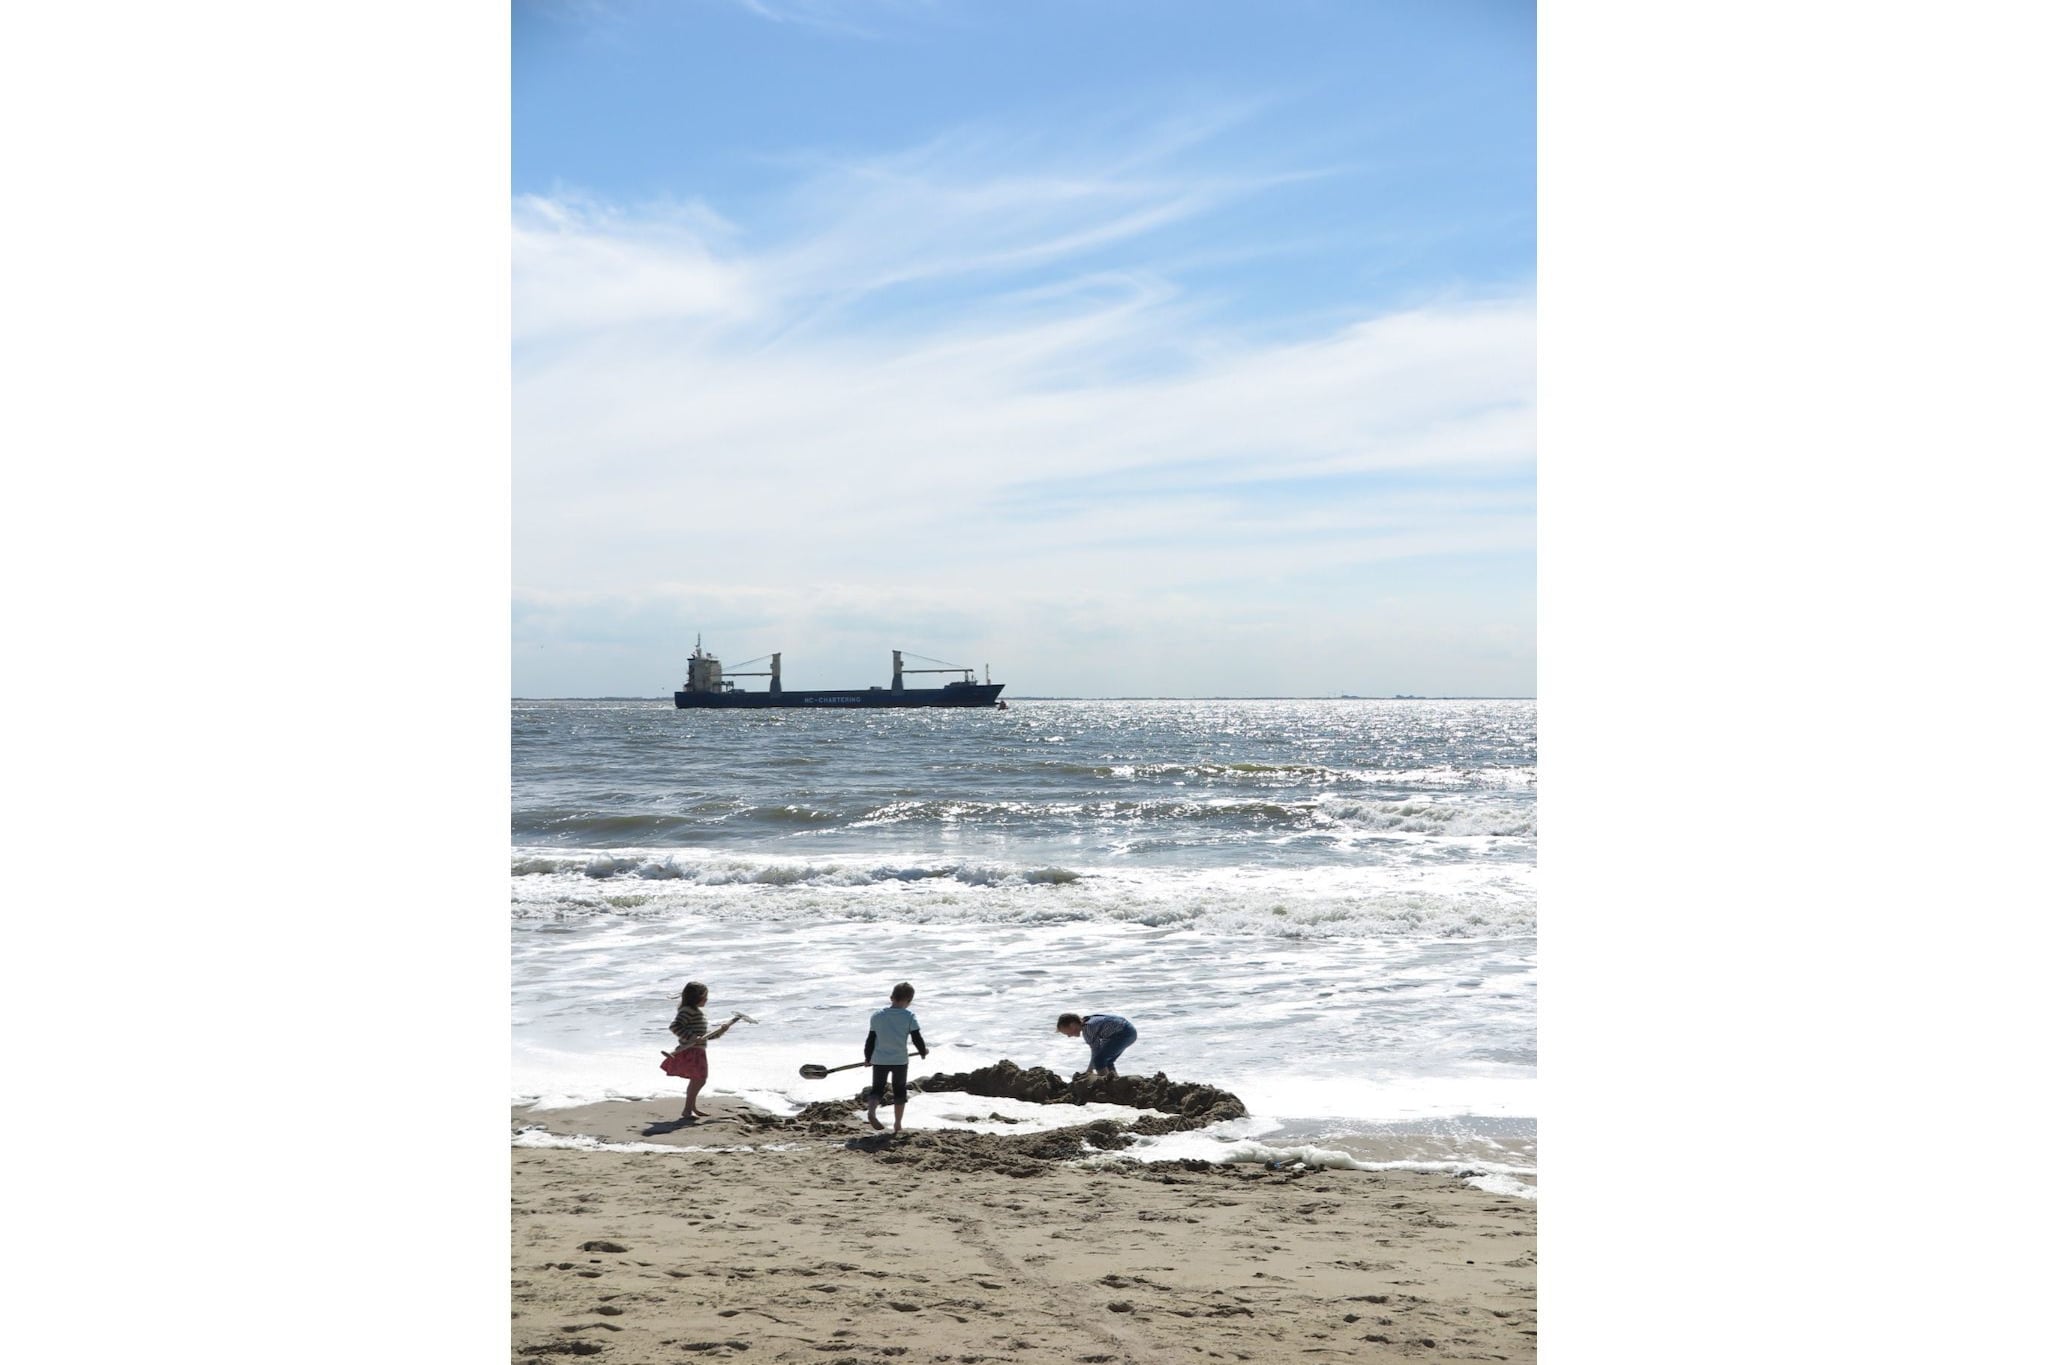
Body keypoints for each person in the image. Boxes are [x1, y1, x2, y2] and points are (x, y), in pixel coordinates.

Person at [662, 981, 744, 1122]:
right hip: (691, 1050)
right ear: (696, 997)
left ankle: (691, 1108)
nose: (707, 999)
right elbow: (675, 1026)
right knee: (699, 1079)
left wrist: (722, 1031)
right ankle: (687, 1110)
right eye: (705, 996)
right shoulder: (687, 1010)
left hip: (698, 1050)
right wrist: (692, 1037)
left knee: (697, 1079)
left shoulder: (697, 1012)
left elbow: (705, 1037)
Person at [863, 981, 929, 1134]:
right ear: (909, 1001)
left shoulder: (877, 1016)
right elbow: (916, 1038)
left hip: (879, 1060)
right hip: (899, 1060)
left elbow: (870, 1040)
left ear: (891, 997)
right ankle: (898, 1124)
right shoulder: (909, 1016)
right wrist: (922, 1051)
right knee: (899, 1091)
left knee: (877, 1089)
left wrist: (868, 1057)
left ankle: (872, 1112)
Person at [1056, 1011, 1138, 1078]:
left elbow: (1095, 1052)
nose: (1069, 1036)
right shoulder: (1088, 1020)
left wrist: (1089, 1070)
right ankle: (1115, 1081)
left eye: (1067, 1032)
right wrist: (1090, 1069)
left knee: (1099, 1060)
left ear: (1072, 1025)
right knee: (1106, 1060)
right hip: (1127, 1030)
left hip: (1124, 1033)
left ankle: (1106, 1086)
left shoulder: (1088, 1028)